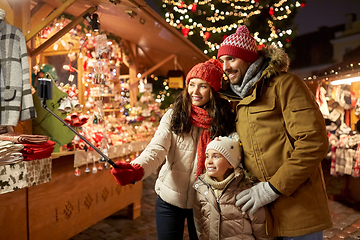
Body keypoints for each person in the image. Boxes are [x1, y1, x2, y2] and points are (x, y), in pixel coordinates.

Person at [217, 25, 333, 239]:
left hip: (299, 210)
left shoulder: (285, 85)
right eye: (222, 61)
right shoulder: (238, 100)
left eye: (231, 59)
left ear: (249, 58)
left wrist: (270, 189)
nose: (225, 67)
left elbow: (313, 143)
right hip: (264, 218)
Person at [110, 58, 236, 240]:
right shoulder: (175, 114)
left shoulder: (223, 121)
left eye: (203, 86)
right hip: (169, 199)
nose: (195, 91)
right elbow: (157, 148)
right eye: (192, 84)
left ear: (214, 90)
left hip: (205, 202)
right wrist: (136, 169)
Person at [193, 133, 274, 240]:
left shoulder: (246, 189)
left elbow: (261, 228)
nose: (209, 161)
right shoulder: (201, 188)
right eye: (207, 156)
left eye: (216, 156)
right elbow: (199, 224)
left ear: (231, 163)